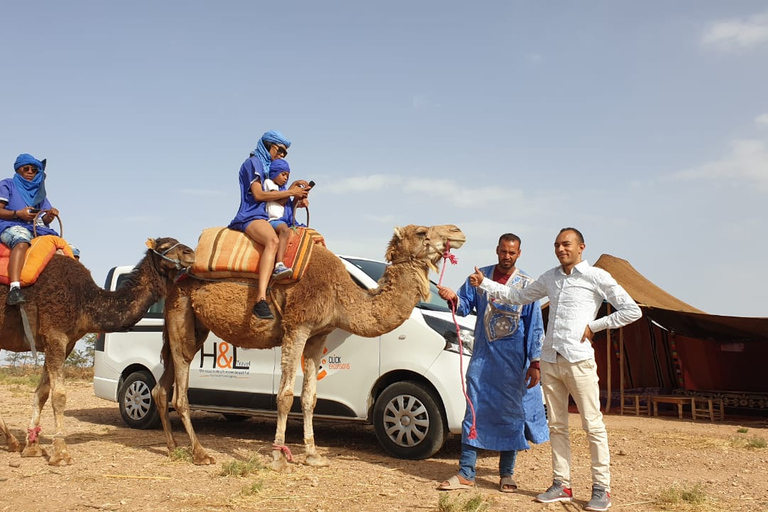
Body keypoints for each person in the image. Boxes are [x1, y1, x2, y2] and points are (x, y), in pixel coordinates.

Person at [469, 227, 642, 512]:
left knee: (593, 426)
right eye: (557, 245)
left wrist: (595, 327)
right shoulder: (549, 277)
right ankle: (562, 484)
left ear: (581, 247)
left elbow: (631, 310)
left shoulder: (596, 277)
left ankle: (601, 489)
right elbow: (517, 296)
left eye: (567, 245)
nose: (561, 249)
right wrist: (484, 283)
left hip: (579, 360)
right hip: (551, 359)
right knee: (557, 426)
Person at [436, 233, 549, 494]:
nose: (506, 257)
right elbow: (463, 306)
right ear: (497, 250)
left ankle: (506, 473)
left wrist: (535, 363)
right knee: (474, 411)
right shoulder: (478, 277)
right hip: (484, 359)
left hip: (513, 363)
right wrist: (452, 296)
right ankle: (466, 472)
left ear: (518, 253)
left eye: (512, 253)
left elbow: (534, 327)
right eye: (503, 251)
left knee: (510, 415)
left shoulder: (527, 285)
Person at [228, 131, 309, 319]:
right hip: (252, 216)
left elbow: (275, 196)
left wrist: (295, 193)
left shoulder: (267, 168)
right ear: (268, 145)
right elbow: (259, 195)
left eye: (285, 153)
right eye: (280, 150)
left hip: (267, 217)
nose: (281, 155)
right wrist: (289, 192)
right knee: (272, 241)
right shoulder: (253, 163)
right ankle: (260, 299)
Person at [0, 154, 61, 306]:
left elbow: (43, 220)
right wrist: (17, 214)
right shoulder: (8, 185)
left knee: (70, 250)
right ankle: (14, 289)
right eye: (26, 168)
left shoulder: (39, 193)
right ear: (18, 169)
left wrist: (50, 216)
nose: (30, 172)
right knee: (21, 241)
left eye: (34, 170)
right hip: (11, 225)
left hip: (37, 230)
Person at [263, 158, 295, 280]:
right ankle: (279, 264)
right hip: (272, 220)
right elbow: (280, 200)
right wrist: (292, 190)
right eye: (283, 174)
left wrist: (299, 198)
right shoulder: (269, 183)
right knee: (284, 230)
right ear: (275, 173)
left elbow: (287, 202)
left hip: (282, 220)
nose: (286, 178)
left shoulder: (283, 190)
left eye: (287, 175)